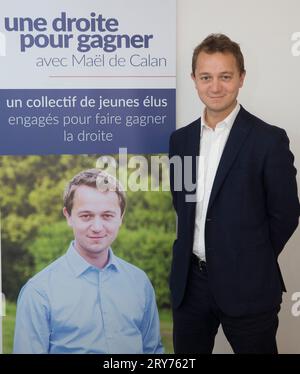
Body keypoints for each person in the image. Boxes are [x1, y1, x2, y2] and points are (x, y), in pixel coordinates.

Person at [169, 33, 300, 354]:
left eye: (225, 76)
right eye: (206, 77)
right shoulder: (180, 140)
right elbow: (183, 204)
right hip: (191, 286)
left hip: (249, 285)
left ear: (241, 78)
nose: (215, 87)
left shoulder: (268, 140)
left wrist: (248, 257)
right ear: (194, 80)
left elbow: (286, 214)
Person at [13, 169, 163, 354]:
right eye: (86, 216)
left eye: (107, 215)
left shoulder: (140, 283)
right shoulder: (38, 292)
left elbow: (153, 352)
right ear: (68, 216)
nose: (97, 227)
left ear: (121, 218)